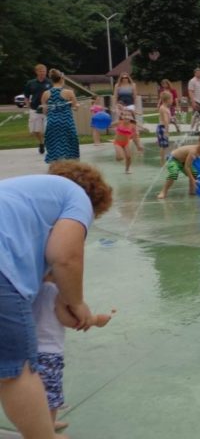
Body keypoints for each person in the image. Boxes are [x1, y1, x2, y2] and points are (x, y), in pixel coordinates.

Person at [0, 161, 113, 439]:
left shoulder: (23, 193)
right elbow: (65, 255)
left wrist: (61, 293)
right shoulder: (76, 197)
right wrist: (76, 301)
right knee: (15, 370)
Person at [32, 273, 114, 433]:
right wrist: (97, 320)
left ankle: (40, 424)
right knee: (51, 394)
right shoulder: (57, 293)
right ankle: (47, 429)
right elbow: (70, 320)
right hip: (49, 353)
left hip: (28, 349)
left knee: (34, 390)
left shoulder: (30, 289)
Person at [156, 133, 200, 199]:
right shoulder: (193, 151)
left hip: (183, 162)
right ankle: (163, 191)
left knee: (195, 173)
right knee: (174, 173)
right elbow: (187, 167)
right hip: (173, 159)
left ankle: (192, 191)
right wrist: (192, 180)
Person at [40, 69, 79, 164]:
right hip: (66, 122)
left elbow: (45, 111)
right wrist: (77, 106)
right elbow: (75, 108)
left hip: (52, 123)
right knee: (70, 146)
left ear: (51, 80)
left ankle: (56, 169)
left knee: (54, 145)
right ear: (62, 79)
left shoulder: (46, 93)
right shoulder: (69, 92)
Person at [24, 64, 52, 154]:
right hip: (34, 109)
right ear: (36, 72)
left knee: (48, 129)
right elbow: (26, 96)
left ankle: (49, 144)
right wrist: (29, 106)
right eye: (40, 71)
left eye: (44, 71)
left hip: (47, 109)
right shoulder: (30, 83)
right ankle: (41, 143)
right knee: (35, 130)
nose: (42, 73)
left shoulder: (50, 83)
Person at [187, 68, 200, 134]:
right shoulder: (192, 81)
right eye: (198, 72)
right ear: (195, 73)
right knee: (195, 116)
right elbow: (190, 91)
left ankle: (197, 129)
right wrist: (193, 102)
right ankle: (191, 130)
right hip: (196, 100)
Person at [157, 91, 173, 164]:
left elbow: (168, 119)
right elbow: (166, 121)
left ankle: (164, 161)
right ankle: (162, 162)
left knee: (165, 145)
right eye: (171, 99)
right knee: (163, 146)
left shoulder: (165, 108)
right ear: (168, 100)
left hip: (162, 127)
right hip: (162, 128)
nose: (172, 100)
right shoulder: (163, 108)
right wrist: (166, 131)